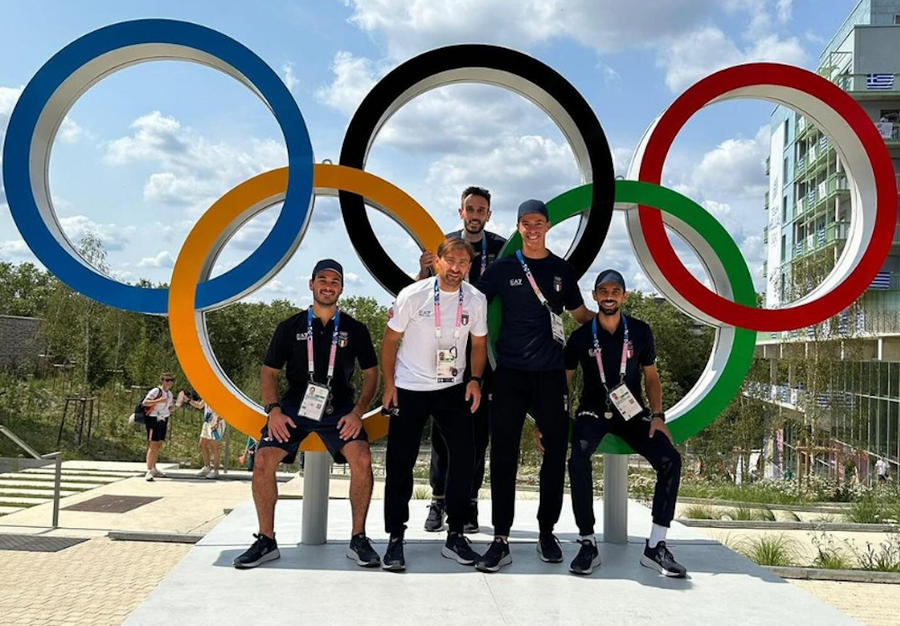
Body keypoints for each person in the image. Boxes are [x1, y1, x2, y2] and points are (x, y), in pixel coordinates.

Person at [233, 259, 381, 570]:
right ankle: (266, 540)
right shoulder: (290, 327)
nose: (328, 286)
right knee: (262, 460)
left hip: (339, 407)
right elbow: (269, 371)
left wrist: (358, 412)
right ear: (311, 284)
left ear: (341, 288)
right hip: (294, 407)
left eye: (335, 281)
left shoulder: (355, 328)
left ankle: (358, 538)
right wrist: (273, 411)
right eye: (323, 280)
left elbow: (372, 374)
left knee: (363, 458)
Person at [473, 199, 595, 572]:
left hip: (551, 375)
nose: (532, 229)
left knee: (555, 455)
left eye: (539, 222)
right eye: (526, 223)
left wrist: (626, 326)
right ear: (518, 227)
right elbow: (471, 303)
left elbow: (580, 316)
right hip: (509, 373)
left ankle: (546, 532)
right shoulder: (502, 268)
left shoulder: (562, 270)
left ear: (547, 226)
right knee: (504, 456)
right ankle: (501, 538)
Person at [562, 269, 686, 577]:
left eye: (615, 290)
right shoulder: (580, 336)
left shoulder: (641, 332)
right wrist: (558, 418)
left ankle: (656, 546)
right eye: (603, 290)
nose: (608, 295)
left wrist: (657, 416)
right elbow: (564, 379)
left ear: (624, 297)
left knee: (671, 459)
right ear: (594, 296)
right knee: (577, 459)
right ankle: (588, 542)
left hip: (631, 413)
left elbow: (652, 377)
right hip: (592, 411)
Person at [381, 237, 489, 571]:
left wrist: (474, 379)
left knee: (464, 458)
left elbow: (479, 344)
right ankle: (395, 538)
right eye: (451, 261)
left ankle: (455, 534)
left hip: (452, 388)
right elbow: (389, 341)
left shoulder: (476, 299)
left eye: (464, 263)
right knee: (401, 462)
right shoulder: (412, 295)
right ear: (437, 261)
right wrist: (389, 385)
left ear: (469, 267)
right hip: (410, 387)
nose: (456, 269)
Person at [416, 186, 506, 534]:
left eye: (481, 209)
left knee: (478, 433)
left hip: (486, 350)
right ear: (460, 212)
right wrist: (423, 270)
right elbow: (416, 292)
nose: (475, 214)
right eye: (470, 208)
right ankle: (437, 502)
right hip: (446, 348)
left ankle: (468, 504)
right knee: (441, 431)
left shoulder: (501, 248)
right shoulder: (444, 246)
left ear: (488, 214)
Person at [142, 373, 185, 482]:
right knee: (153, 444)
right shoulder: (156, 391)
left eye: (171, 380)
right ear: (162, 381)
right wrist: (158, 401)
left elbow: (169, 408)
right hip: (153, 419)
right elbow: (145, 402)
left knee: (158, 444)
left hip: (163, 418)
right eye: (167, 380)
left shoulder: (169, 394)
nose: (169, 382)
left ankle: (154, 467)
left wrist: (178, 404)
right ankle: (148, 470)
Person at [189, 395, 226, 479]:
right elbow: (199, 405)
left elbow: (224, 409)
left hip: (216, 422)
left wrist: (217, 421)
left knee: (214, 447)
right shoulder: (208, 394)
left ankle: (215, 471)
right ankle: (207, 467)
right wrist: (188, 400)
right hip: (207, 422)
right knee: (202, 444)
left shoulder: (221, 395)